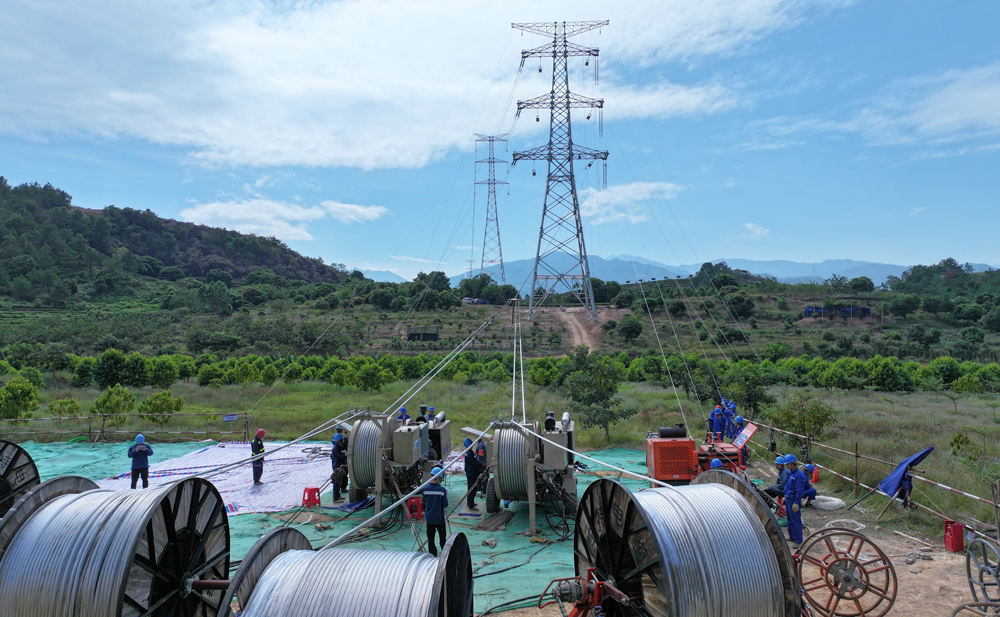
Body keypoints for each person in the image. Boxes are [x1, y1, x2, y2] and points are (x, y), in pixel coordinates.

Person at [783, 454, 809, 547]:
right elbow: (787, 486)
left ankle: (798, 540)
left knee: (796, 520)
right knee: (789, 519)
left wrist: (797, 503)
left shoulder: (799, 476)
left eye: (787, 464)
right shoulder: (790, 474)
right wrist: (785, 496)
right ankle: (792, 536)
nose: (786, 466)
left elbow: (799, 490)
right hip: (788, 498)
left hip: (794, 500)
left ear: (791, 464)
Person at [423, 466, 448, 556]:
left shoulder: (424, 490)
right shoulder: (442, 491)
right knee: (442, 539)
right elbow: (445, 504)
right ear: (439, 478)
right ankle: (445, 556)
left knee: (431, 540)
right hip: (439, 520)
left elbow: (424, 503)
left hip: (429, 519)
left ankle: (432, 557)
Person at [463, 438, 485, 511]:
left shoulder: (469, 452)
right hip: (472, 474)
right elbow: (475, 464)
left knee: (471, 488)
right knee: (472, 489)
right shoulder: (469, 454)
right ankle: (471, 505)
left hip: (470, 473)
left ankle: (470, 502)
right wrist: (482, 465)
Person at [331, 433, 348, 502]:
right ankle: (335, 498)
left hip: (342, 465)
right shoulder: (336, 448)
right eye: (337, 442)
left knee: (341, 480)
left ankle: (338, 495)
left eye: (339, 441)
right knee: (337, 482)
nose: (338, 443)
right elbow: (342, 456)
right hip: (337, 466)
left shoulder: (344, 443)